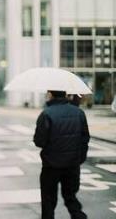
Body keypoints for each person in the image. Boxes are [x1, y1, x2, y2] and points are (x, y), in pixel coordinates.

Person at [34, 90, 90, 219]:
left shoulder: (46, 114)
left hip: (51, 166)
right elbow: (85, 138)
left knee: (48, 201)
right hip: (72, 165)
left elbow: (39, 142)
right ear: (65, 95)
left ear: (51, 95)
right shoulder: (79, 113)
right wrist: (79, 159)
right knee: (71, 197)